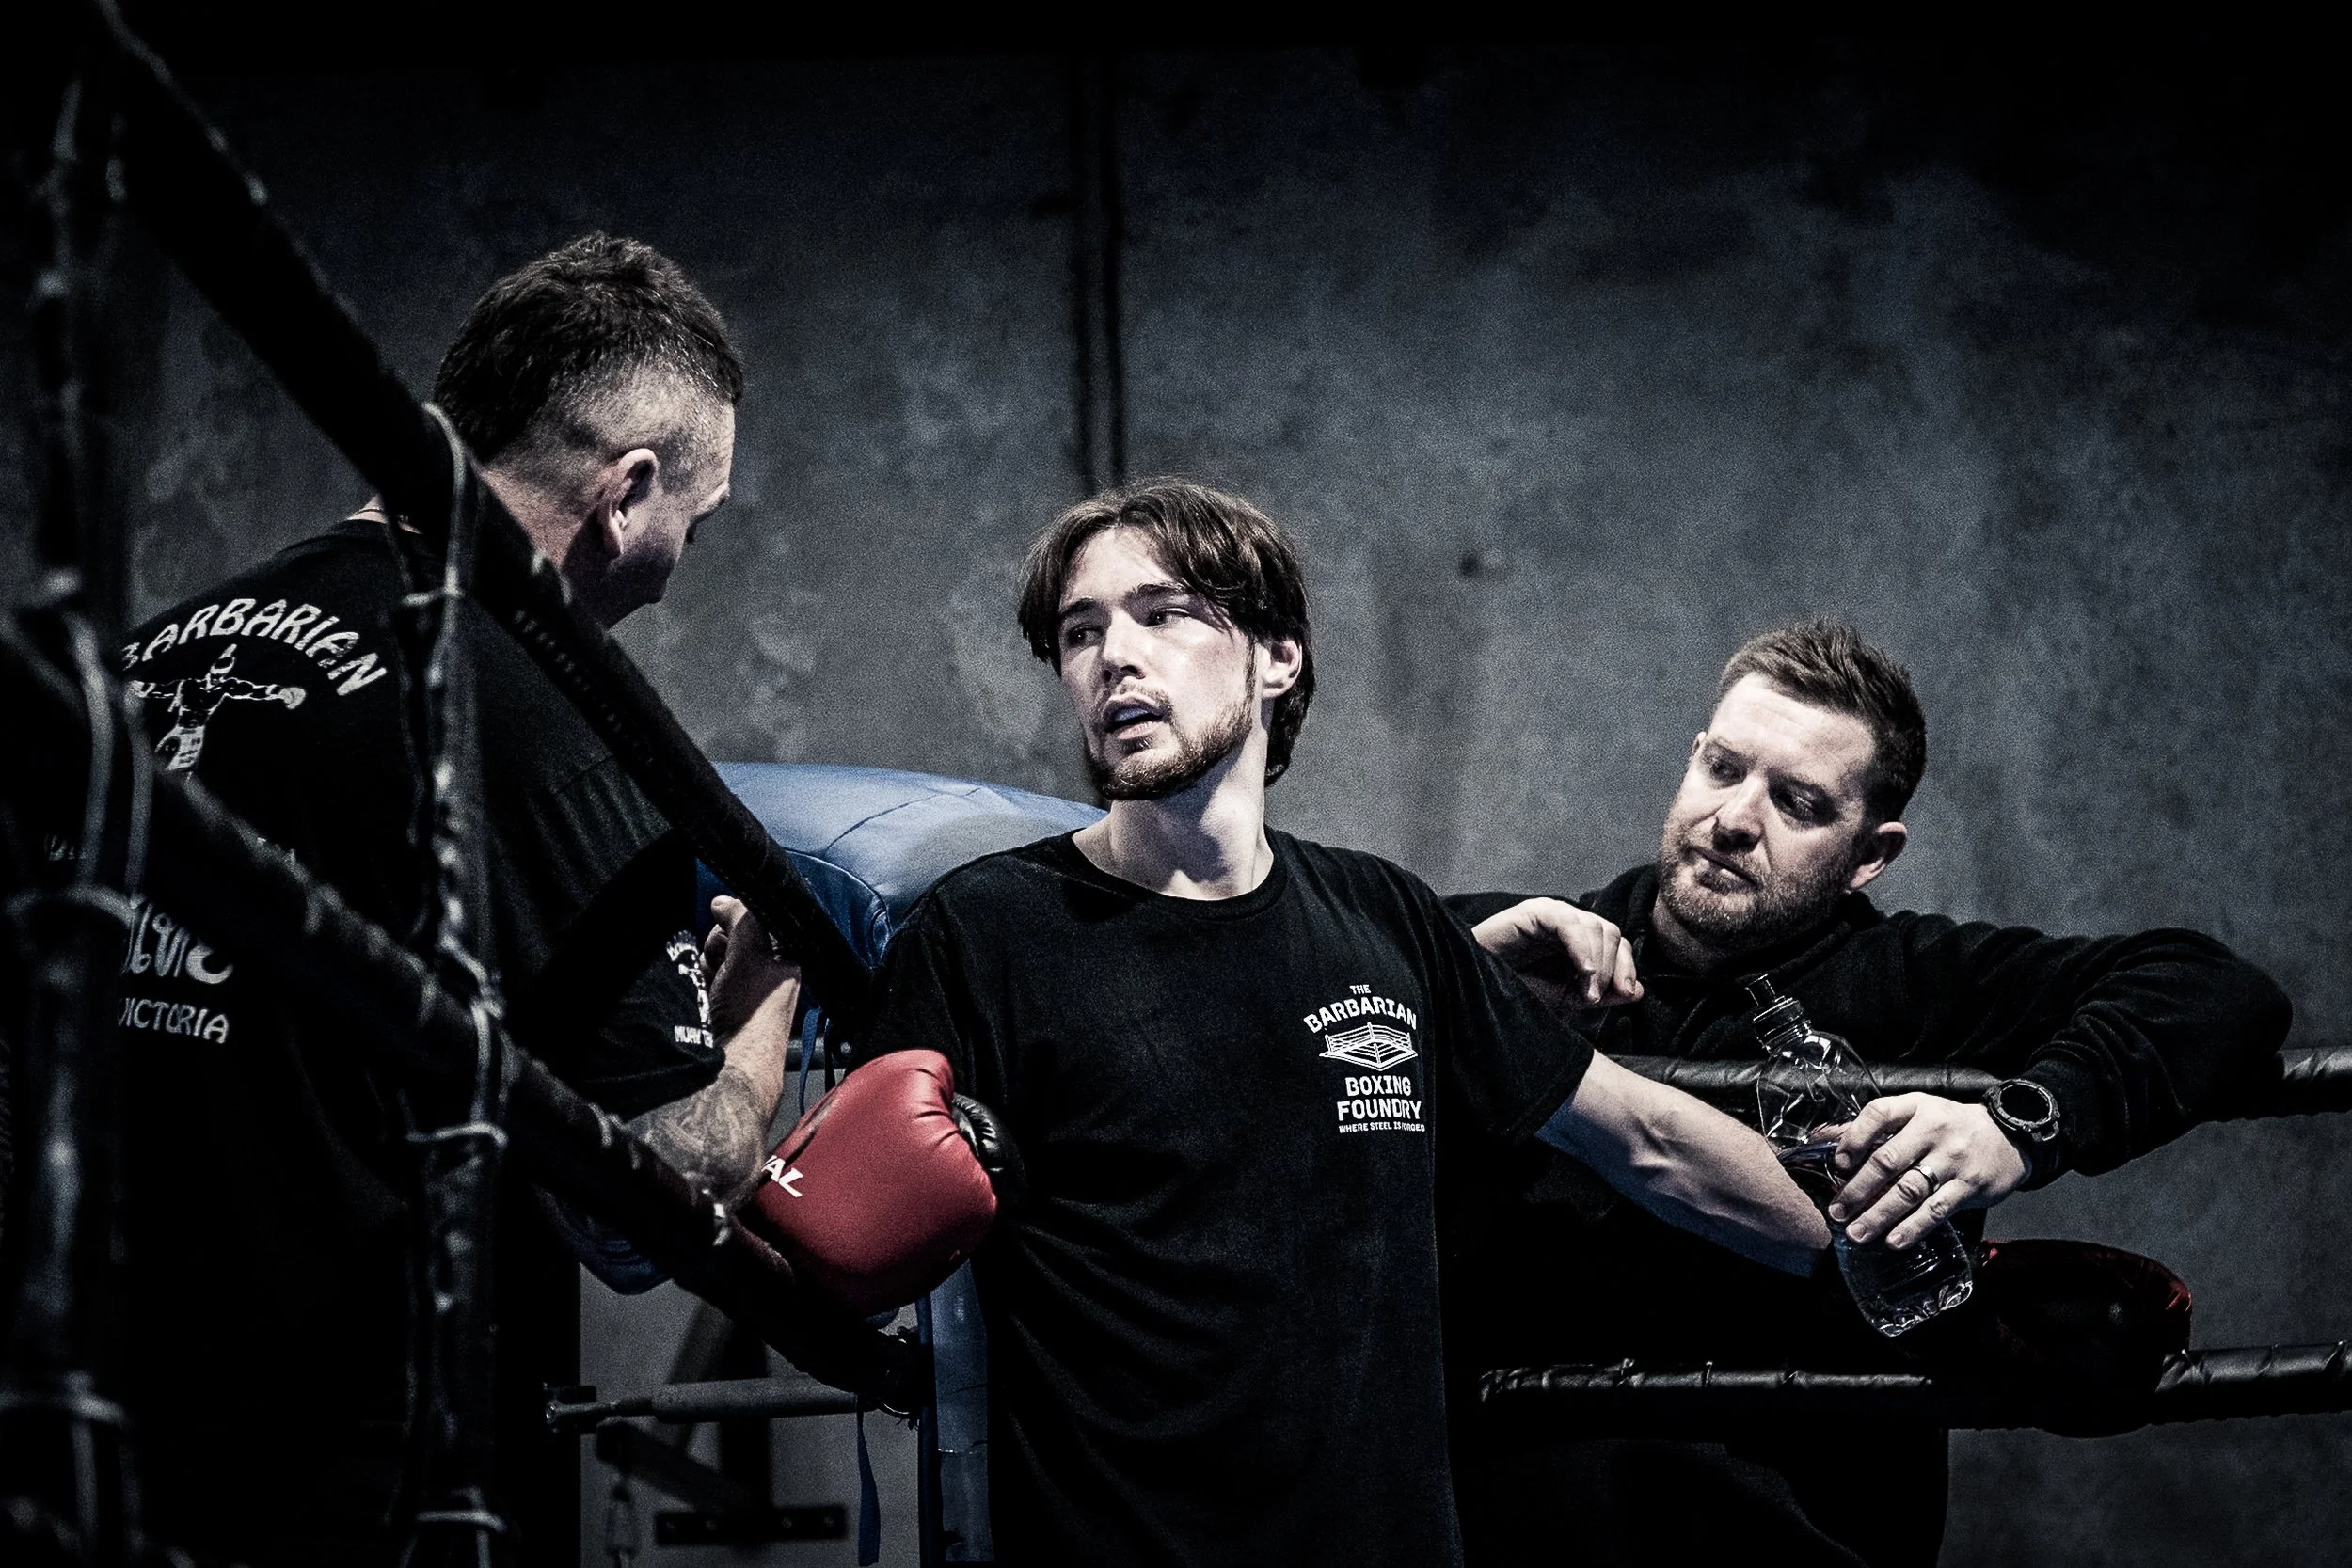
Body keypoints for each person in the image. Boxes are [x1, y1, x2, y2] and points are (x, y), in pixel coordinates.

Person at [848, 478, 1831, 1567]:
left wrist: (1889, 1269)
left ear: (1278, 657)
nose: (1113, 656)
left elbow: (1641, 1136)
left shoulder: (1383, 917)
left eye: (1162, 612)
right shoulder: (986, 933)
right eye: (1082, 632)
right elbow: (827, 1247)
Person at [110, 234, 802, 1567]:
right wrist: (771, 982)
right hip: (364, 1474)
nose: (677, 567)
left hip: (88, 1428)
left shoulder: (150, 656)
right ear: (626, 489)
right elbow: (664, 1176)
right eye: (691, 528)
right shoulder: (549, 715)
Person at [1446, 619, 2292, 1568]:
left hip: (1789, 1525)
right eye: (1723, 768)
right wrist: (1460, 978)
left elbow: (2216, 988)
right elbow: (1297, 999)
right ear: (1692, 759)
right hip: (1510, 1510)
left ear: (1869, 852)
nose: (1733, 818)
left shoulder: (1909, 977)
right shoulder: (1519, 946)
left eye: (1797, 801)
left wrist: (2017, 1125)